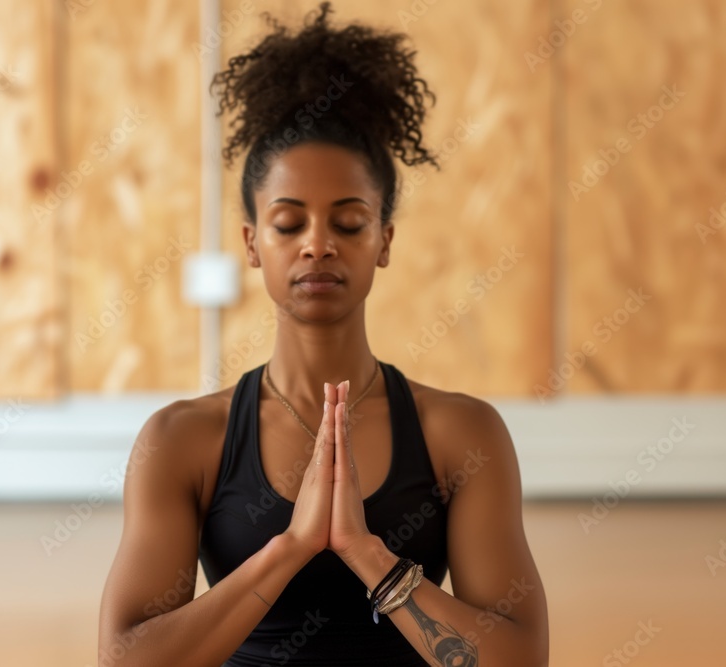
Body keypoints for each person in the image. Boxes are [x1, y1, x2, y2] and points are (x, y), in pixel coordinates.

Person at [98, 3, 549, 665]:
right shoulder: (181, 440)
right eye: (288, 224)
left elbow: (520, 659)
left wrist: (371, 556)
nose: (317, 245)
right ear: (252, 243)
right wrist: (290, 547)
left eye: (348, 221)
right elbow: (125, 658)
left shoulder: (463, 434)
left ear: (384, 240)